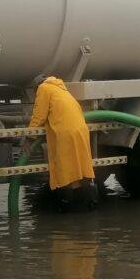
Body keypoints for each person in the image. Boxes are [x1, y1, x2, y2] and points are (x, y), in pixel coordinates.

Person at [26, 76, 98, 212]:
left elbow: (39, 116)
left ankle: (68, 207)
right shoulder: (61, 89)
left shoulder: (44, 88)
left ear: (37, 86)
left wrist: (29, 138)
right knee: (80, 168)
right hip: (80, 130)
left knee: (65, 171)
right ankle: (89, 205)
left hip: (65, 133)